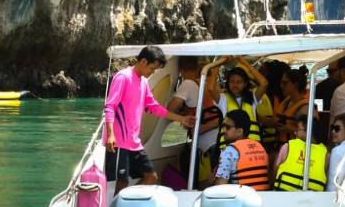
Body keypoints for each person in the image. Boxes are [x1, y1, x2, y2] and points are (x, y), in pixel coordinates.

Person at [103, 45, 195, 191]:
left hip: (134, 142)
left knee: (151, 176)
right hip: (119, 142)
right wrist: (110, 135)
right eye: (152, 68)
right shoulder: (123, 77)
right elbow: (110, 106)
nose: (152, 72)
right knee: (122, 182)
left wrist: (180, 118)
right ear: (143, 61)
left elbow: (153, 107)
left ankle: (127, 203)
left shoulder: (144, 82)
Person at [212, 111, 270, 190]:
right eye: (223, 126)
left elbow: (220, 187)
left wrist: (211, 182)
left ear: (239, 131)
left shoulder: (229, 151)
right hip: (264, 197)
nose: (224, 130)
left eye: (227, 127)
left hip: (242, 199)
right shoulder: (260, 147)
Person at [273, 112, 327, 191]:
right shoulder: (325, 153)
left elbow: (275, 171)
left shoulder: (287, 146)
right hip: (313, 200)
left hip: (283, 196)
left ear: (307, 131)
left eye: (298, 129)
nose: (295, 132)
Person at [219, 65, 263, 140]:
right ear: (228, 83)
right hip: (230, 146)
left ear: (245, 84)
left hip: (251, 146)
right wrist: (220, 63)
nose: (235, 85)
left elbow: (264, 83)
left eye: (239, 82)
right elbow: (210, 87)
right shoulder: (223, 98)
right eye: (232, 82)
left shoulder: (252, 97)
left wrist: (242, 60)